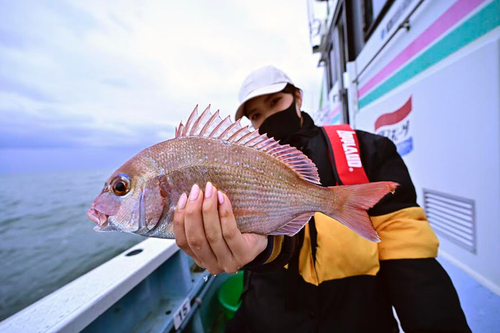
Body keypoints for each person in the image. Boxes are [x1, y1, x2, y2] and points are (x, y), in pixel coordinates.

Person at [173, 66, 471, 332]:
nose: (267, 118)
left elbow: (410, 255)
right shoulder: (243, 161)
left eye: (275, 102)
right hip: (270, 313)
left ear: (298, 98)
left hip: (359, 318)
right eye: (255, 115)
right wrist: (262, 249)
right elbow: (270, 241)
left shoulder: (369, 149)